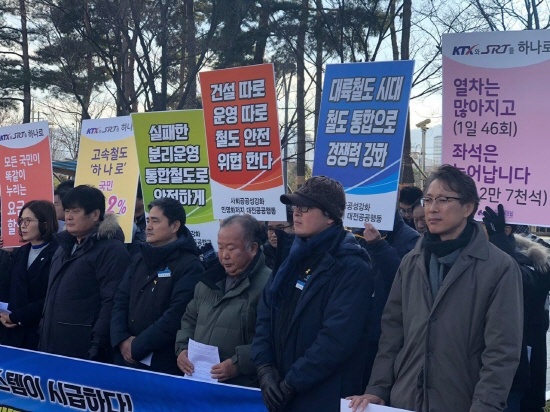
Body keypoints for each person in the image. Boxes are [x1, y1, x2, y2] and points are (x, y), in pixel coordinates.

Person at [348, 164, 523, 412]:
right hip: (406, 400)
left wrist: (486, 406)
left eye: (443, 199)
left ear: (468, 207)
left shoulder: (499, 268)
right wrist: (377, 389)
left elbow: (501, 352)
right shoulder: (411, 261)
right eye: (428, 199)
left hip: (462, 401)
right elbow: (392, 334)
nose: (432, 208)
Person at [252, 176, 374, 412]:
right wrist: (264, 368)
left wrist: (291, 383)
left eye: (305, 208)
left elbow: (337, 338)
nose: (296, 213)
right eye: (295, 207)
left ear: (330, 216)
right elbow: (265, 314)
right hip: (281, 391)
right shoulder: (290, 256)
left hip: (323, 395)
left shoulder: (351, 266)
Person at [111, 197, 204, 375]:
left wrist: (137, 346)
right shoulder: (140, 258)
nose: (148, 227)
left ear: (175, 226)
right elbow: (120, 299)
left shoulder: (189, 265)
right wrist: (121, 339)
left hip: (161, 363)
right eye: (148, 221)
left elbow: (176, 315)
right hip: (126, 358)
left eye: (155, 221)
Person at [175, 214, 270, 387]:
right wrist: (182, 349)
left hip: (241, 387)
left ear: (253, 248)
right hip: (199, 380)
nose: (224, 255)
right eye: (220, 247)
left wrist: (238, 364)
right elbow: (189, 319)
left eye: (231, 248)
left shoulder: (268, 284)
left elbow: (270, 338)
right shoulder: (207, 281)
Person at [38, 185, 131, 362]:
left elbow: (111, 301)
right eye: (66, 211)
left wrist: (96, 345)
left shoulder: (111, 250)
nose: (69, 217)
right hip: (51, 343)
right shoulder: (64, 246)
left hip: (84, 349)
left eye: (75, 211)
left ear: (95, 214)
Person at [482, 205, 550, 412]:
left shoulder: (535, 260)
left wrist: (498, 240)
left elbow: (521, 284)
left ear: (506, 230)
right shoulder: (473, 256)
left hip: (518, 368)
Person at [352, 210, 419, 387]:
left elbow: (404, 283)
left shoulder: (411, 239)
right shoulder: (355, 235)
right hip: (357, 333)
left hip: (388, 336)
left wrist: (378, 246)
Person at [0, 200, 58, 349]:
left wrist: (19, 316)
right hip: (11, 330)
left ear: (45, 222)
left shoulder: (59, 252)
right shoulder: (20, 252)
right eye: (21, 221)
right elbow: (8, 287)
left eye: (28, 220)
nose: (23, 225)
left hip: (38, 331)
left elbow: (51, 296)